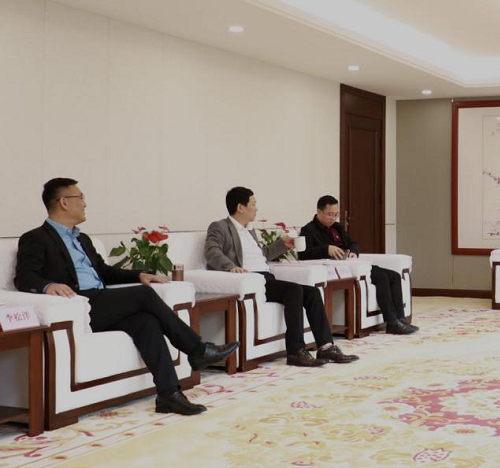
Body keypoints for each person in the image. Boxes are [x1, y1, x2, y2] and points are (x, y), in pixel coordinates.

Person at [15, 178, 238, 416]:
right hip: (79, 306)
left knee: (146, 322)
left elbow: (104, 272)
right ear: (63, 202)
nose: (85, 203)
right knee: (144, 295)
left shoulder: (82, 239)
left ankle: (169, 395)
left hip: (101, 302)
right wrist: (48, 285)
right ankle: (197, 350)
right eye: (80, 197)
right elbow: (24, 277)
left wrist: (139, 274)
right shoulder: (36, 238)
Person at [204, 187, 358, 367]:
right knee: (294, 290)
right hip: (251, 280)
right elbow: (212, 252)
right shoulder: (220, 227)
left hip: (266, 278)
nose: (256, 208)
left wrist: (283, 245)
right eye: (253, 204)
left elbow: (262, 255)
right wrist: (231, 267)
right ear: (240, 207)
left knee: (312, 293)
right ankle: (295, 351)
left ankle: (326, 346)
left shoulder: (249, 230)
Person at [299, 195, 417, 335]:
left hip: (353, 264)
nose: (333, 218)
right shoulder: (308, 230)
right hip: (338, 269)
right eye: (330, 214)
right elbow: (304, 254)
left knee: (394, 276)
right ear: (319, 212)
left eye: (336, 214)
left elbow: (353, 243)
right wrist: (326, 249)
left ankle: (400, 319)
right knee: (382, 278)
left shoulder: (337, 227)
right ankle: (391, 322)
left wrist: (354, 252)